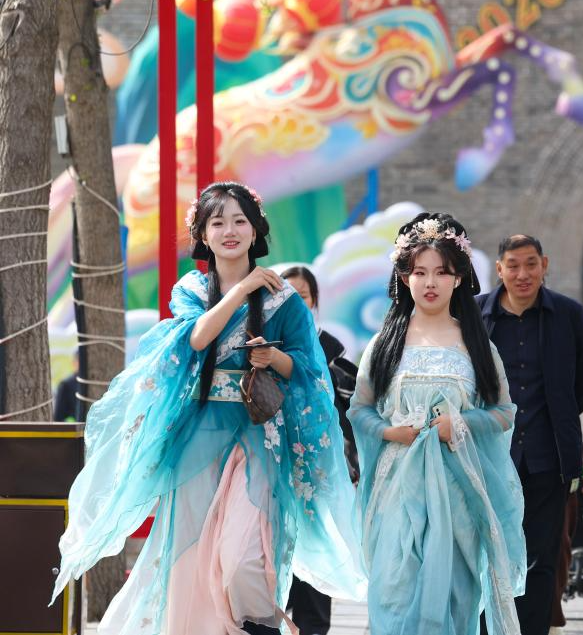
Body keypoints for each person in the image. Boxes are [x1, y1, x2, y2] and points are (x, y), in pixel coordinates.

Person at [52, 182, 365, 635]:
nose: (229, 231)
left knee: (245, 561)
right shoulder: (192, 289)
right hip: (199, 437)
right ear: (202, 234)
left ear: (256, 230)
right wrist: (244, 289)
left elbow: (309, 368)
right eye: (218, 222)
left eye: (240, 221)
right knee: (190, 564)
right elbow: (196, 338)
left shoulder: (284, 300)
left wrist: (272, 358)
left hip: (258, 437)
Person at [348, 212, 526, 635]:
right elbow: (359, 408)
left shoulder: (477, 345)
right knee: (395, 590)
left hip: (458, 488)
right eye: (420, 272)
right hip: (398, 488)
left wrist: (460, 424)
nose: (430, 282)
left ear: (459, 278)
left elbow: (504, 411)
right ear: (404, 277)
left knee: (454, 596)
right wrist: (389, 432)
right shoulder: (385, 343)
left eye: (442, 272)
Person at [477, 234, 583, 635]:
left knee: (541, 557)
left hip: (549, 457)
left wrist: (561, 417)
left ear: (544, 265)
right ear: (499, 270)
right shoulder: (476, 316)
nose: (523, 274)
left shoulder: (569, 315)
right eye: (513, 265)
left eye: (531, 264)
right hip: (489, 457)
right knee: (488, 552)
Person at [280, 265, 360, 635]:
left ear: (314, 301)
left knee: (316, 549)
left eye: (303, 295)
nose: (296, 302)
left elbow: (347, 412)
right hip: (274, 464)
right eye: (287, 295)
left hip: (317, 469)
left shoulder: (331, 351)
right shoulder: (262, 344)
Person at [53, 350, 84, 422]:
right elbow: (58, 418)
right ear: (74, 363)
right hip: (74, 427)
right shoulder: (66, 385)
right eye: (80, 361)